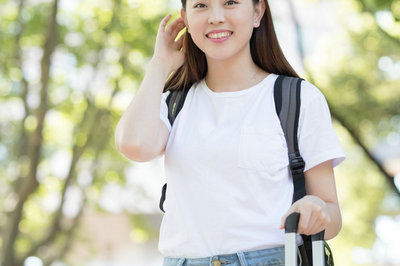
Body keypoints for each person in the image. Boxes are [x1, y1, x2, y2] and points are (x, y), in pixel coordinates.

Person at [115, 0, 346, 265]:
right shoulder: (175, 104)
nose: (215, 17)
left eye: (231, 3)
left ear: (258, 12)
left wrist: (316, 209)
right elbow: (133, 145)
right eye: (201, 5)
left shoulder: (298, 98)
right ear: (186, 20)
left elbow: (333, 216)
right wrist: (160, 63)